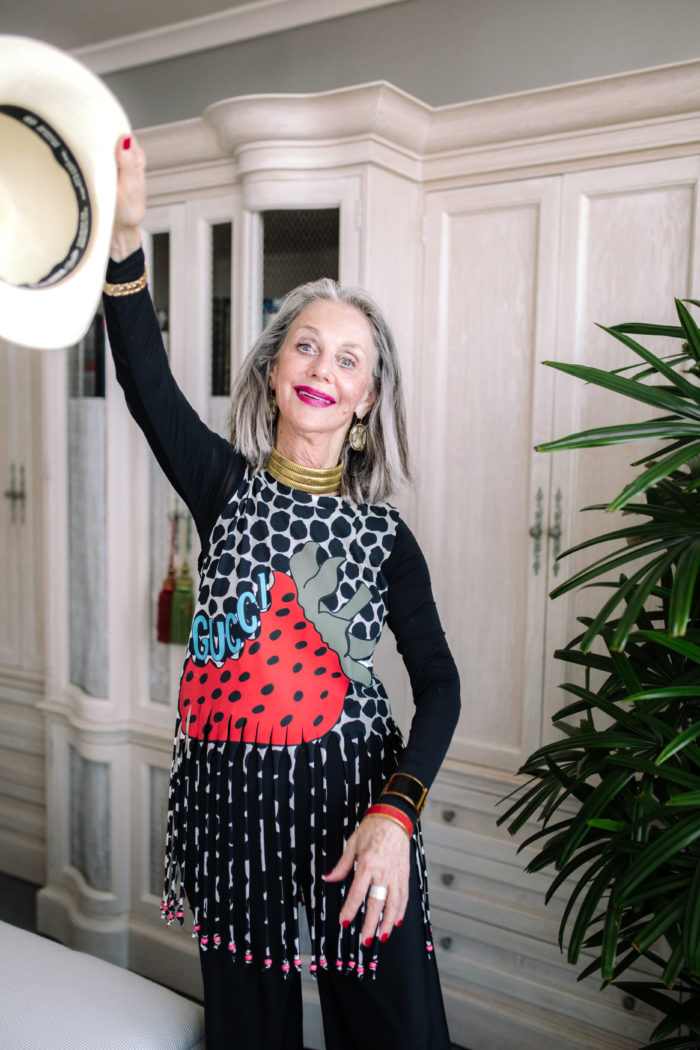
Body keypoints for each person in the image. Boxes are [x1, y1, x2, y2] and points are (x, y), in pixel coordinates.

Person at [104, 134, 461, 1050]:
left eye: (348, 359)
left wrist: (396, 813)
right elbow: (146, 381)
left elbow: (442, 687)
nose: (321, 367)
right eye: (306, 346)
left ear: (366, 399)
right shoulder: (223, 488)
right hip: (234, 808)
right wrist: (127, 233)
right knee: (250, 1039)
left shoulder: (387, 539)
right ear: (274, 370)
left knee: (394, 1035)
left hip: (359, 807)